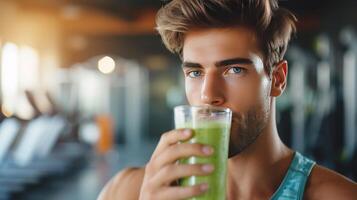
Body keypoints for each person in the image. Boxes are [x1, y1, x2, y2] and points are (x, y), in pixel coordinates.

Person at [98, 0, 357, 199]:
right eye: (196, 72)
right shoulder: (127, 191)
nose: (208, 95)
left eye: (234, 70)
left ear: (277, 79)